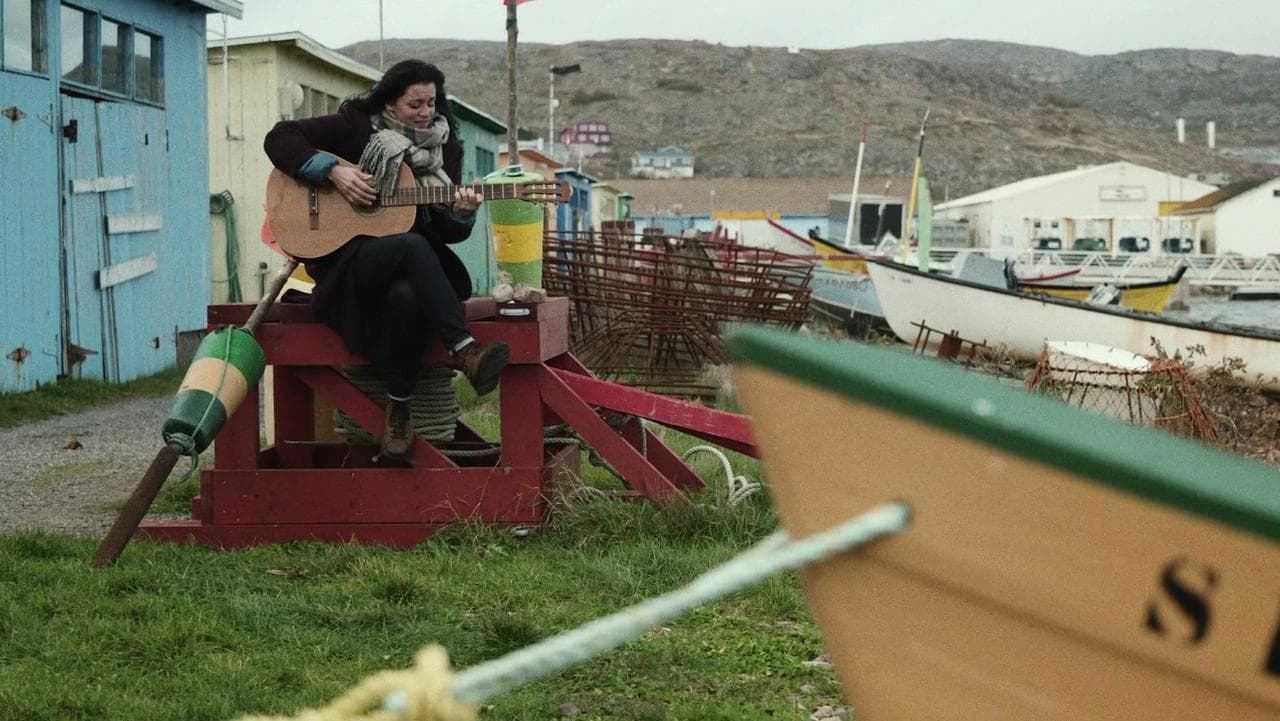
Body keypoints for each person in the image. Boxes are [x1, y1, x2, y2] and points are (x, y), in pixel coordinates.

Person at [264, 60, 509, 461]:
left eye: (432, 102)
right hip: (348, 263)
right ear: (391, 103)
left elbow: (446, 232)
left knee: (408, 295)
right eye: (416, 104)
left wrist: (463, 214)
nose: (427, 112)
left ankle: (398, 409)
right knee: (411, 246)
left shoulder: (444, 147)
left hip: (411, 270)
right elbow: (280, 138)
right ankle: (465, 351)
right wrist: (333, 174)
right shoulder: (355, 126)